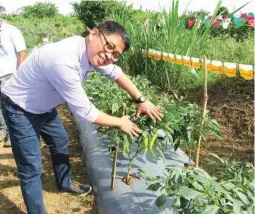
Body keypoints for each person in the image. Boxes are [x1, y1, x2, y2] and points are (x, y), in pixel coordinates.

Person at [1, 20, 162, 214]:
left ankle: (64, 183)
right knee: (31, 168)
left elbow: (115, 73)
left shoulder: (91, 51)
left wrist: (141, 99)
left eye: (115, 54)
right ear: (94, 33)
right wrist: (121, 122)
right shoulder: (63, 60)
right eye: (109, 46)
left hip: (44, 106)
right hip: (20, 108)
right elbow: (86, 112)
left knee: (60, 140)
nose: (109, 55)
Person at [0, 15, 26, 147]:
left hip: (9, 74)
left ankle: (12, 134)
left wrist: (19, 74)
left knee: (11, 106)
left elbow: (22, 53)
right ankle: (2, 130)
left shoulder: (11, 31)